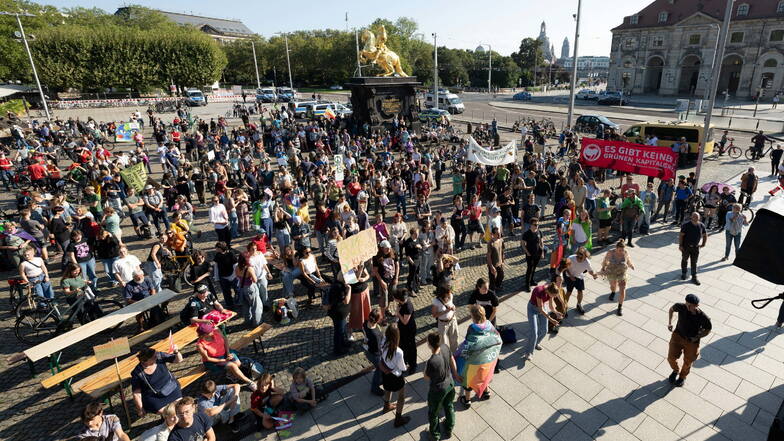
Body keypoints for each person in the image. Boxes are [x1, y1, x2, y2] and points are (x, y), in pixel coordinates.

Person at [456, 305, 501, 407]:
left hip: (475, 360)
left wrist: (460, 352)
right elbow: (496, 337)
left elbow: (469, 342)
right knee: (483, 375)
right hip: (488, 358)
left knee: (468, 379)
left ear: (473, 316)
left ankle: (467, 400)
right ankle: (486, 392)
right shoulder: (489, 324)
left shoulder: (472, 328)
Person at [667, 294, 712, 387]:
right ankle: (675, 370)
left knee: (688, 361)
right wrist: (670, 323)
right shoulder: (681, 307)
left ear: (696, 306)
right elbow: (671, 309)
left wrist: (697, 337)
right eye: (686, 304)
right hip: (677, 336)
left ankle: (682, 377)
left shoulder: (702, 317)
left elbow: (708, 329)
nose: (687, 307)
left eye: (690, 305)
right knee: (671, 358)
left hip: (691, 341)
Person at [196, 322, 256, 390]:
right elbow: (207, 358)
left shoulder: (216, 330)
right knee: (232, 366)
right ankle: (250, 382)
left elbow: (225, 340)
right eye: (210, 331)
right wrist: (223, 360)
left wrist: (228, 353)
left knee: (238, 363)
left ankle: (230, 375)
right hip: (214, 360)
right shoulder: (200, 345)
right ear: (205, 335)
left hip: (225, 353)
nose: (213, 330)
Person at [423, 332, 460, 441]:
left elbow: (426, 377)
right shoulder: (445, 347)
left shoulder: (432, 361)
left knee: (433, 413)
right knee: (448, 405)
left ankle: (435, 435)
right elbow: (452, 360)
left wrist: (426, 369)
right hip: (450, 384)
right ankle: (449, 428)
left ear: (429, 344)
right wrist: (456, 375)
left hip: (438, 391)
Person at [131, 347, 183, 416]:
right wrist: (140, 409)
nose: (156, 356)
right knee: (167, 413)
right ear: (145, 361)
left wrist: (176, 352)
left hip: (171, 387)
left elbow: (178, 360)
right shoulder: (138, 372)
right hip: (155, 396)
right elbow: (136, 393)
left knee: (179, 406)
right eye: (154, 357)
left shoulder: (159, 356)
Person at [378, 323, 411, 427]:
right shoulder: (398, 352)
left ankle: (386, 406)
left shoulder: (383, 341)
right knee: (401, 396)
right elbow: (402, 368)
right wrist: (407, 366)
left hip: (385, 373)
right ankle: (398, 419)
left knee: (387, 389)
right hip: (396, 377)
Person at [525, 282, 562, 359]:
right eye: (554, 295)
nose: (554, 297)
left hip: (542, 308)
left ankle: (535, 343)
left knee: (544, 330)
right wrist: (551, 319)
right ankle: (529, 353)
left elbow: (551, 306)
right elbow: (541, 309)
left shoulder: (550, 291)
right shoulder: (539, 291)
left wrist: (556, 312)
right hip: (532, 309)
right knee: (534, 333)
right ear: (549, 292)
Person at [600, 240, 635, 316]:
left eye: (622, 250)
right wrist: (603, 268)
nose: (621, 252)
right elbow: (605, 261)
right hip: (611, 272)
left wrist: (631, 265)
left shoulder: (625, 253)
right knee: (613, 286)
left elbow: (628, 260)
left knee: (622, 289)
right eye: (619, 250)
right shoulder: (610, 252)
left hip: (622, 272)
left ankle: (620, 307)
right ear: (616, 248)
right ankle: (613, 292)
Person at [564, 247, 599, 315]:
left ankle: (578, 305)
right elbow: (565, 268)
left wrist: (593, 275)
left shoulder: (587, 262)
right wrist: (571, 276)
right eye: (578, 256)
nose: (579, 258)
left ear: (586, 256)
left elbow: (590, 270)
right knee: (569, 292)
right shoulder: (571, 258)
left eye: (581, 257)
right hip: (569, 276)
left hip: (579, 276)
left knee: (580, 291)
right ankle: (564, 306)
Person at [393, 289, 418, 375]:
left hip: (409, 330)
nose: (394, 299)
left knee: (411, 348)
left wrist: (397, 313)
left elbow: (405, 321)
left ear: (398, 299)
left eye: (395, 298)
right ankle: (405, 362)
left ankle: (413, 365)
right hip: (402, 330)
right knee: (403, 347)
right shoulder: (401, 303)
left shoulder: (408, 306)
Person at [325, 279, 351, 355]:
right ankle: (337, 350)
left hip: (337, 313)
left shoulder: (336, 284)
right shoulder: (339, 287)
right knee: (338, 332)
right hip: (338, 314)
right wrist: (349, 289)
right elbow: (346, 301)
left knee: (341, 330)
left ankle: (342, 343)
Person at [679, 212, 707, 285]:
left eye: (697, 217)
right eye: (694, 216)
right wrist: (680, 245)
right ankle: (684, 273)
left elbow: (705, 235)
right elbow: (681, 235)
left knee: (694, 262)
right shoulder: (686, 225)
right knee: (685, 259)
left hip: (696, 248)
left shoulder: (701, 225)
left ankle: (694, 277)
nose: (695, 218)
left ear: (699, 218)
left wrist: (703, 243)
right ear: (691, 217)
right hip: (686, 247)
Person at [431, 287, 459, 353]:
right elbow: (434, 315)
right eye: (448, 294)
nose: (450, 295)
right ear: (443, 294)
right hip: (443, 323)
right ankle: (446, 355)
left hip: (452, 320)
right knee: (443, 342)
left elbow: (452, 304)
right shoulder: (436, 301)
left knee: (454, 338)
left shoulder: (450, 296)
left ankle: (455, 354)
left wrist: (453, 307)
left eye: (450, 293)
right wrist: (446, 311)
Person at [521, 217, 545, 290]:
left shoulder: (539, 232)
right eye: (535, 225)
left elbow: (541, 242)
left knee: (534, 268)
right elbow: (523, 244)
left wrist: (542, 252)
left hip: (537, 253)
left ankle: (531, 281)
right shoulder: (526, 234)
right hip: (530, 254)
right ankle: (527, 284)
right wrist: (527, 252)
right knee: (529, 269)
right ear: (531, 225)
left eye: (537, 225)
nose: (536, 226)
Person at [486, 227, 505, 292]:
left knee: (501, 275)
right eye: (497, 233)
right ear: (493, 234)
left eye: (499, 233)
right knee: (492, 279)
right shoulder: (490, 243)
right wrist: (491, 266)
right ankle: (492, 290)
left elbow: (502, 251)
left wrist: (502, 261)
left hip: (499, 263)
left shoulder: (501, 240)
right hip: (493, 264)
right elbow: (488, 256)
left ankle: (497, 286)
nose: (499, 234)